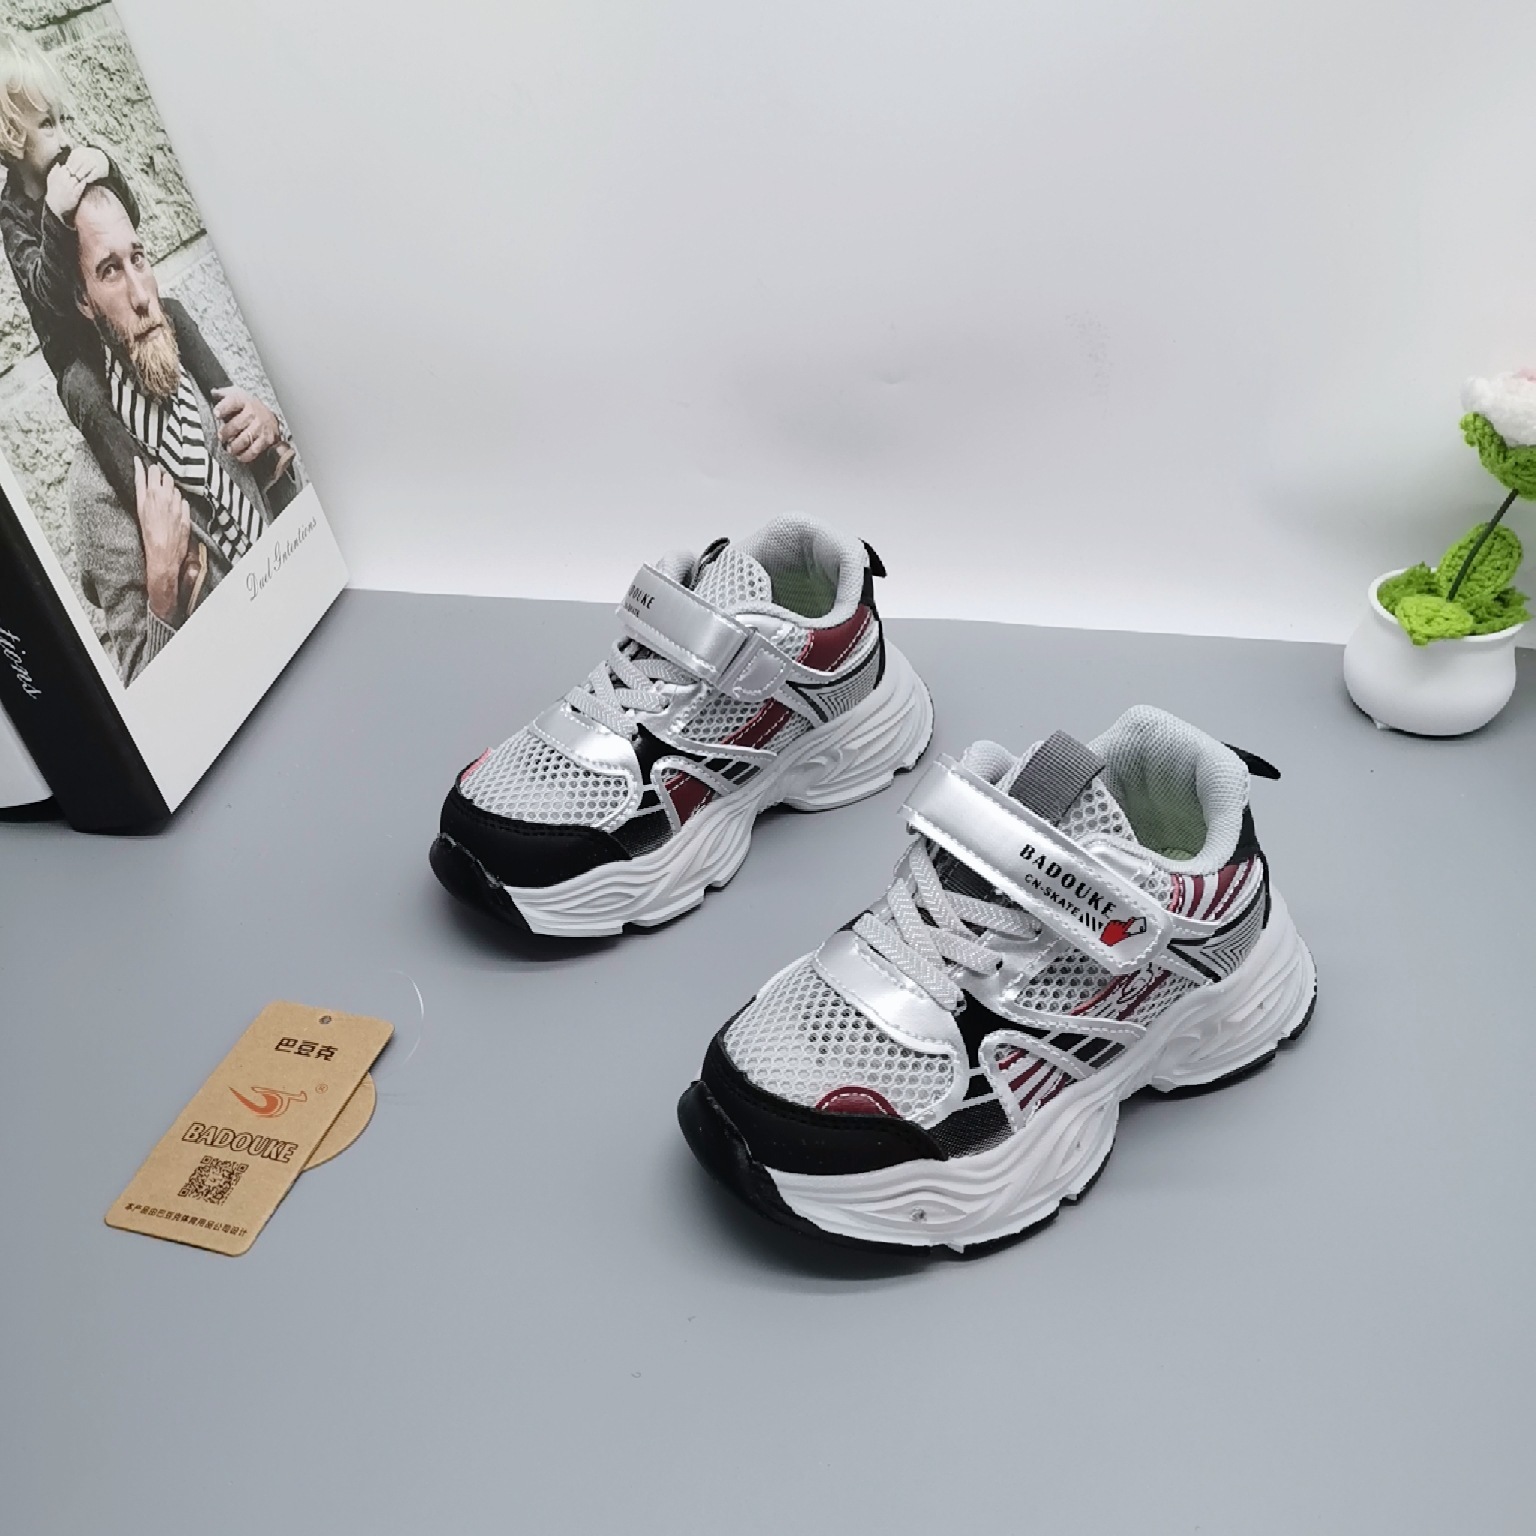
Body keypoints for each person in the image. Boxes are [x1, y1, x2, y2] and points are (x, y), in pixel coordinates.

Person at [0, 29, 262, 522]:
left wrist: (105, 165)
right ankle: (158, 511)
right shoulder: (13, 215)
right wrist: (54, 215)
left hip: (115, 323)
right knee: (83, 393)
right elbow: (46, 292)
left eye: (63, 119)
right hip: (79, 355)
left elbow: (128, 217)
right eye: (48, 124)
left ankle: (242, 427)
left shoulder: (71, 163)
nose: (64, 136)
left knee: (172, 311)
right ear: (12, 136)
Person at [66, 180, 295, 684]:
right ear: (84, 300)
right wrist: (162, 588)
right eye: (110, 271)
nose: (141, 295)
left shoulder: (205, 385)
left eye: (138, 259)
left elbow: (295, 519)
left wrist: (273, 430)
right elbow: (144, 684)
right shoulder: (94, 488)